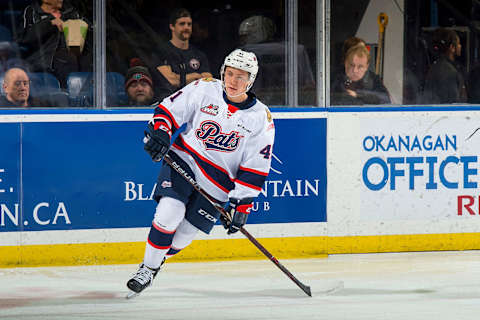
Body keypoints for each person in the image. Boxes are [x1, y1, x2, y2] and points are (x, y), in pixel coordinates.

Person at [126, 49, 275, 296]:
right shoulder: (205, 89)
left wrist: (242, 206)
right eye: (229, 74)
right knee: (168, 213)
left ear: (251, 80)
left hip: (218, 184)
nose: (233, 81)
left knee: (182, 237)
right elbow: (168, 111)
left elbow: (254, 167)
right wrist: (161, 132)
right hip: (185, 160)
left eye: (241, 76)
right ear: (222, 72)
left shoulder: (261, 118)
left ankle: (157, 260)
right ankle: (148, 270)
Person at [238, 15, 315, 105]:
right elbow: (309, 85)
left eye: (245, 36)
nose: (242, 40)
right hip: (292, 102)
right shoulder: (297, 50)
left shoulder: (245, 51)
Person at [16, 0, 92, 88]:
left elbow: (93, 32)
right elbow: (23, 39)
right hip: (42, 63)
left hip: (74, 60)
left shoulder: (72, 11)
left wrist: (83, 27)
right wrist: (50, 23)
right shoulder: (31, 12)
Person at [151, 8, 212, 100]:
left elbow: (208, 80)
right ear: (172, 26)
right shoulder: (161, 51)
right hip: (170, 103)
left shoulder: (199, 54)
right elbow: (172, 81)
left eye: (189, 24)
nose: (186, 27)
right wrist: (196, 76)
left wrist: (180, 78)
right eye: (182, 24)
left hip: (194, 103)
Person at [422, 28, 467, 104]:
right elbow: (452, 104)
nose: (460, 46)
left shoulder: (437, 66)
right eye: (458, 43)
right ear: (452, 47)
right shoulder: (448, 71)